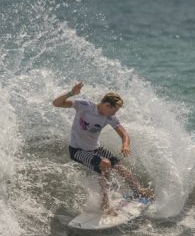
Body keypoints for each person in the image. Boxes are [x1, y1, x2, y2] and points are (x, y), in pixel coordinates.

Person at [53, 82, 153, 214]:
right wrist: (71, 93)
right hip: (77, 150)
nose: (115, 113)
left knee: (122, 168)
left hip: (95, 148)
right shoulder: (84, 106)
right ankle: (105, 204)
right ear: (106, 105)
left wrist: (125, 144)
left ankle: (138, 191)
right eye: (114, 109)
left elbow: (124, 134)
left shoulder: (109, 117)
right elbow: (56, 103)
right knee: (105, 164)